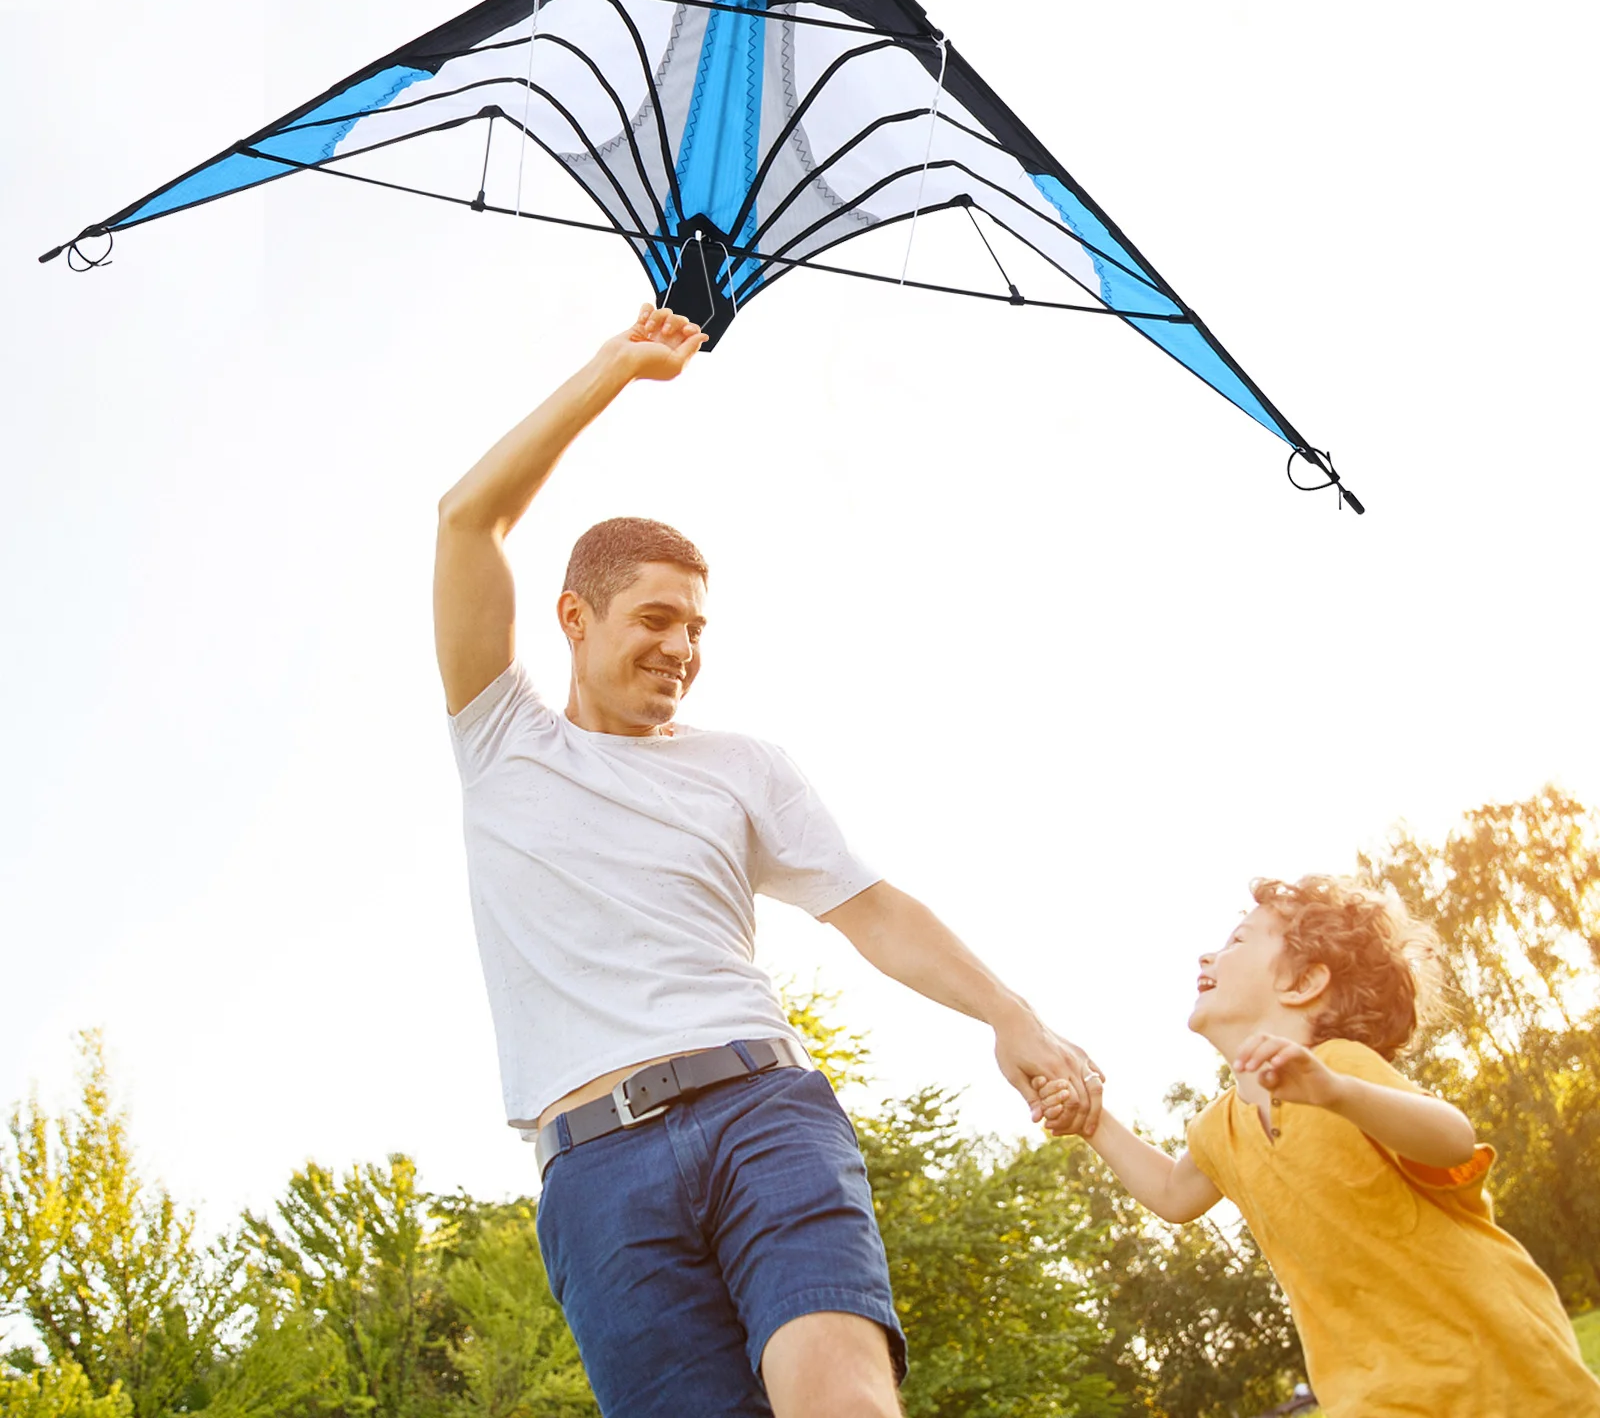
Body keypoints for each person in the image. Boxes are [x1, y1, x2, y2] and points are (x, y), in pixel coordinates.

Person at [433, 304, 1104, 1418]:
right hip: (596, 1176)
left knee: (837, 1398)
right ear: (574, 617)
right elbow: (465, 521)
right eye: (655, 619)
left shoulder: (742, 765)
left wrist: (1009, 1014)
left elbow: (872, 910)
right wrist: (614, 370)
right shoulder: (501, 741)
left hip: (760, 1112)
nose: (681, 648)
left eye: (698, 626)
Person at [1035, 874, 1600, 1417]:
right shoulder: (1220, 1127)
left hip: (1499, 1364)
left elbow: (1452, 1140)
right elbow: (1171, 1195)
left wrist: (1337, 1094)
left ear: (1303, 983)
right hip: (1371, 1393)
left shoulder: (1342, 1072)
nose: (1206, 957)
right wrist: (1094, 1122)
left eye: (1236, 941)